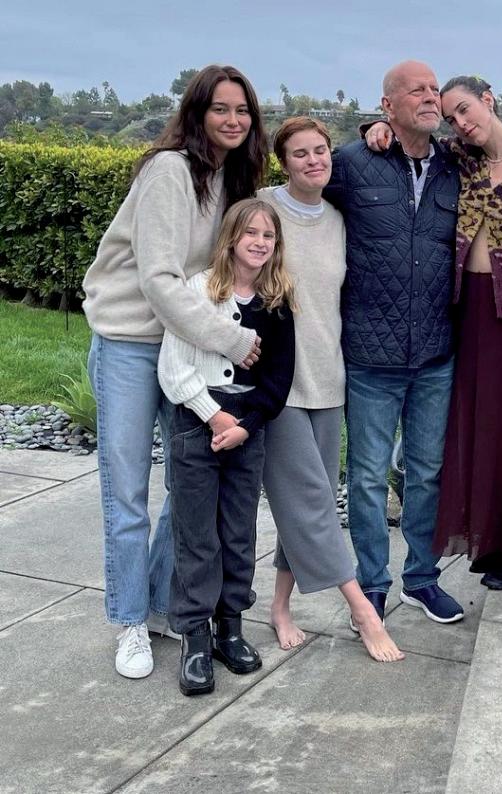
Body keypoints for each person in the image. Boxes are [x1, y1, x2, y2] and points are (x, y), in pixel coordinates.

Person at [82, 65, 267, 679]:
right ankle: (131, 620)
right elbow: (160, 281)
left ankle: (162, 603)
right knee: (128, 492)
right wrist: (233, 339)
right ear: (197, 113)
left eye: (242, 109)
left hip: (185, 348)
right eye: (221, 108)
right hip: (132, 343)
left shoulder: (232, 178)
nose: (233, 120)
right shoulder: (169, 171)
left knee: (187, 491)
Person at [365, 74, 502, 590]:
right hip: (464, 308)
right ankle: (484, 537)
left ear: (488, 100)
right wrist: (376, 127)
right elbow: (407, 137)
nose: (461, 123)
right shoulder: (458, 157)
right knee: (472, 424)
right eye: (451, 118)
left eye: (465, 110)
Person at [323, 61, 464, 625]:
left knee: (426, 473)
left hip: (435, 355)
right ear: (386, 105)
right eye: (417, 91)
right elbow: (299, 187)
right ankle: (373, 584)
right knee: (365, 478)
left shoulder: (456, 165)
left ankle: (422, 579)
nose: (430, 97)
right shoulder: (353, 164)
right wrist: (366, 133)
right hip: (369, 357)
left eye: (435, 89)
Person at [258, 117, 403, 662]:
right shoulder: (262, 209)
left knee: (306, 501)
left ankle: (279, 607)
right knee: (315, 502)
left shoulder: (339, 219)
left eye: (321, 150)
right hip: (276, 381)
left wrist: (378, 126)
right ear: (283, 162)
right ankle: (362, 609)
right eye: (300, 153)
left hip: (328, 378)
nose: (314, 160)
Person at [158, 199, 295, 696]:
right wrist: (213, 414)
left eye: (268, 235)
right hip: (197, 420)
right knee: (197, 534)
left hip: (247, 427)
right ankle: (194, 636)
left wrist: (246, 424)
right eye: (250, 233)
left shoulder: (277, 301)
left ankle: (229, 627)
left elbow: (278, 378)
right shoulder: (198, 291)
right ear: (232, 238)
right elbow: (174, 367)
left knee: (238, 532)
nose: (259, 242)